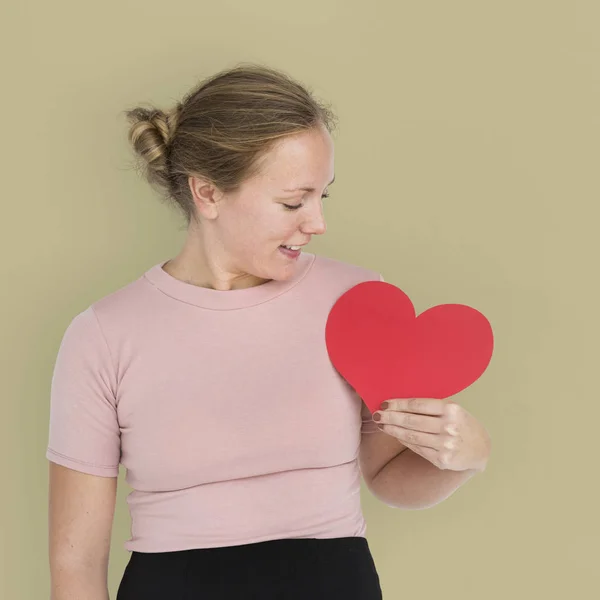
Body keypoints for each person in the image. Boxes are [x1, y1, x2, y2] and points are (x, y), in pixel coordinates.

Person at [47, 63, 490, 600]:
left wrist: (465, 458)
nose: (317, 223)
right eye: (292, 201)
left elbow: (390, 478)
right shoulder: (102, 336)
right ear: (207, 193)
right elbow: (76, 561)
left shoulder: (356, 303)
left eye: (321, 196)